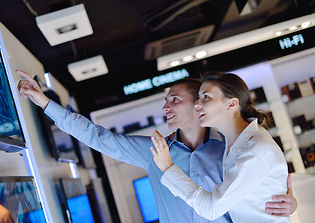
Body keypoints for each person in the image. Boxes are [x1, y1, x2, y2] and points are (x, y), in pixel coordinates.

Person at [16, 69, 296, 223]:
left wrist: (290, 204)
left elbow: (256, 189)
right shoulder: (155, 150)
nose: (166, 106)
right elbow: (96, 137)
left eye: (176, 99)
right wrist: (44, 103)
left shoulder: (229, 147)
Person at [151, 71, 292, 222]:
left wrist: (168, 168)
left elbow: (211, 209)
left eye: (206, 97)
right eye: (198, 98)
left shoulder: (255, 151)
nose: (197, 104)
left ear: (231, 103)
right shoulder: (233, 143)